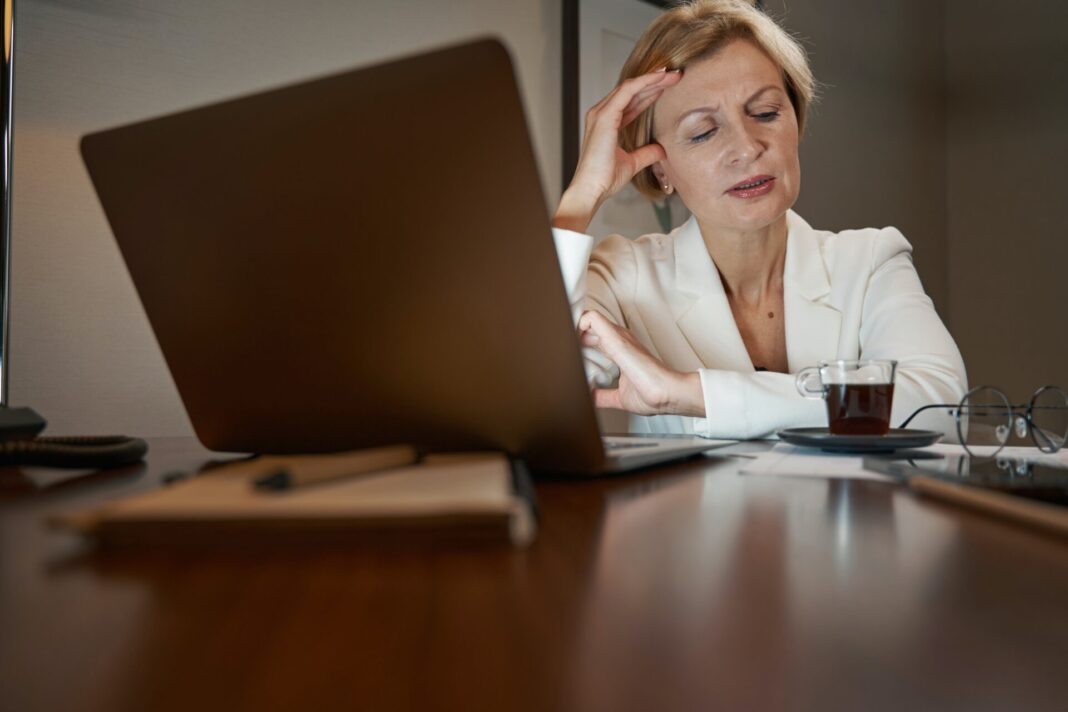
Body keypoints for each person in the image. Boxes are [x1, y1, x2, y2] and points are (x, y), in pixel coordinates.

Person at [552, 0, 966, 439]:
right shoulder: (623, 276)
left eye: (766, 113)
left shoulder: (870, 262)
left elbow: (938, 405)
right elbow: (545, 382)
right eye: (703, 132)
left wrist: (693, 394)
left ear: (796, 120)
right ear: (660, 168)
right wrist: (581, 196)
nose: (747, 148)